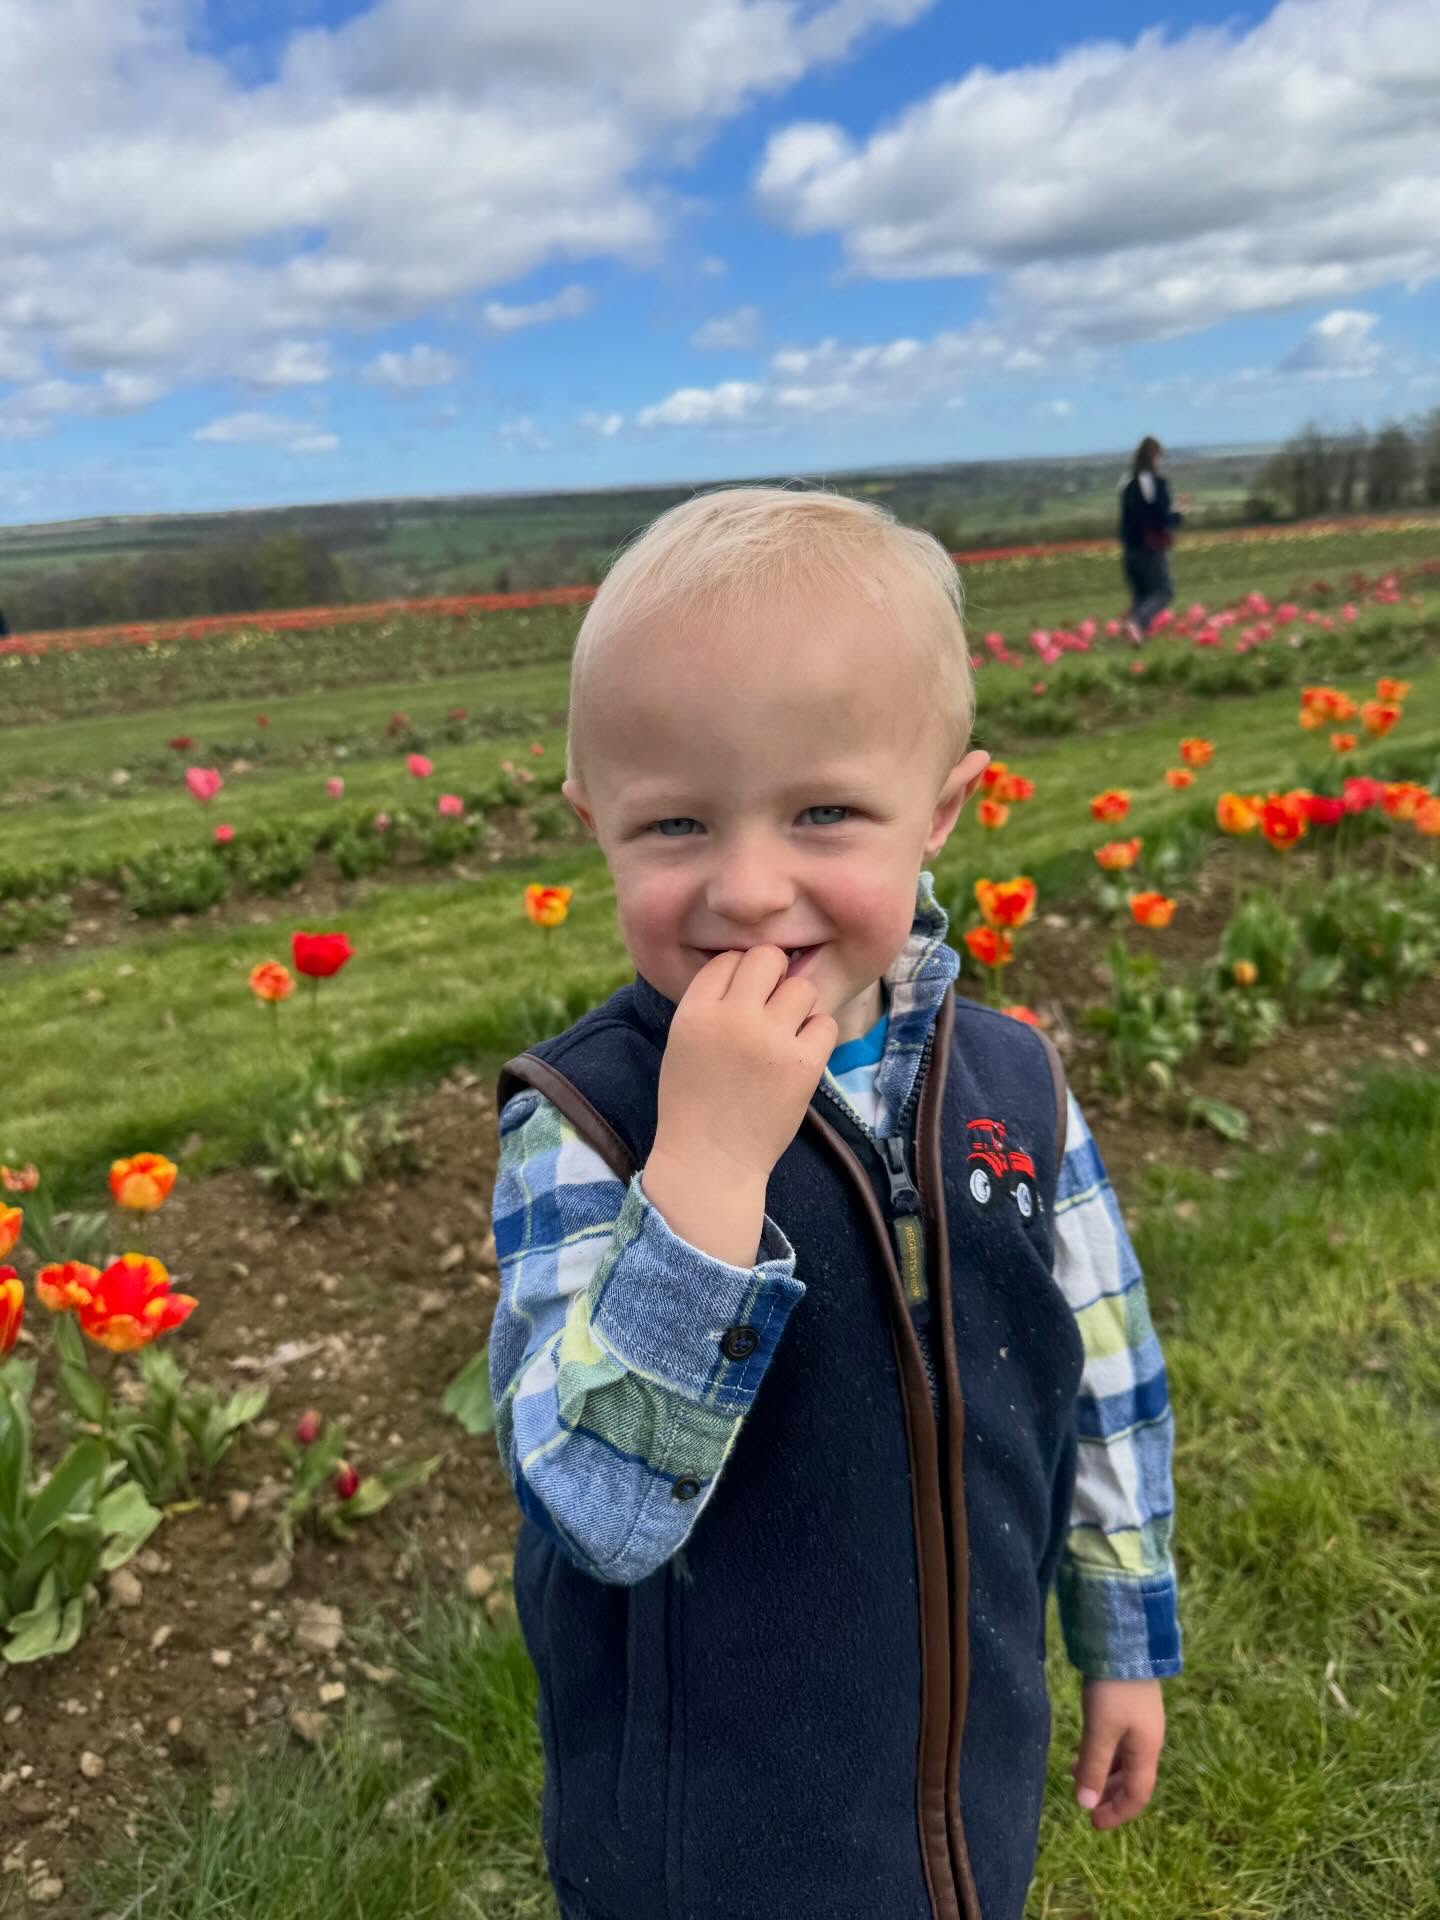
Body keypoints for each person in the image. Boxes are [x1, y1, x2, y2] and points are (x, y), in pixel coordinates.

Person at [487, 487, 1181, 1920]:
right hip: (698, 1831)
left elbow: (1102, 1378)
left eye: (822, 812)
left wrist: (1121, 1633)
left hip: (955, 1775)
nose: (749, 888)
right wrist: (708, 1175)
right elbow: (597, 1512)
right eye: (676, 823)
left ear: (942, 811)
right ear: (594, 827)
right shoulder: (587, 1124)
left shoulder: (1014, 1091)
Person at [1118, 436, 1183, 642]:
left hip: (1129, 549)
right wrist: (1177, 516)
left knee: (1141, 595)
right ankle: (1136, 623)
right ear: (1154, 456)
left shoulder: (1126, 483)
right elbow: (1158, 516)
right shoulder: (1153, 482)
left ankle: (1137, 639)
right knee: (1164, 592)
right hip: (1150, 548)